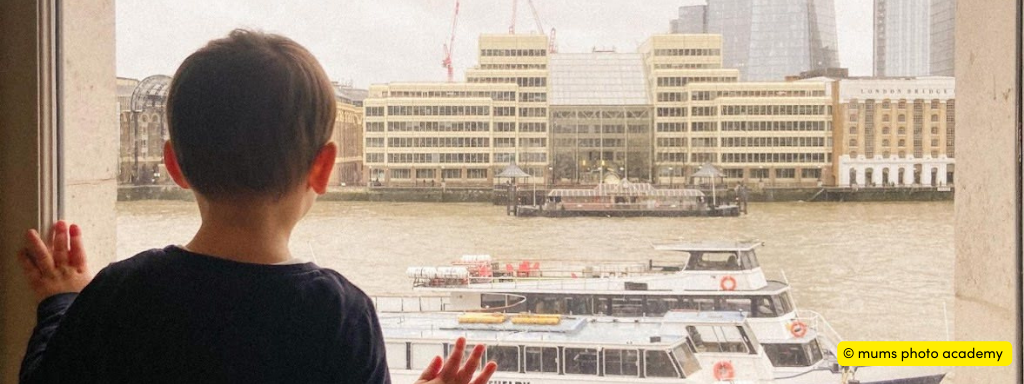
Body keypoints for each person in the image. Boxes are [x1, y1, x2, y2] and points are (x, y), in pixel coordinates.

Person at [15, 30, 495, 384]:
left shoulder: (124, 290)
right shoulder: (340, 314)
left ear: (174, 166)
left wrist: (61, 302)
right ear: (323, 168)